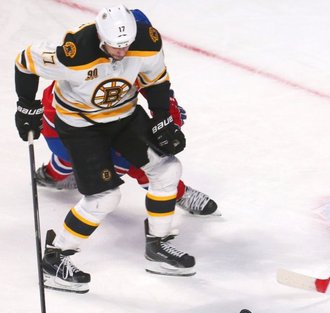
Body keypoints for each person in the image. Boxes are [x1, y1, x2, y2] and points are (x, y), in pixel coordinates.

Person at [14, 4, 207, 293]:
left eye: (126, 45)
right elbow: (25, 62)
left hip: (125, 116)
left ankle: (158, 246)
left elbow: (156, 80)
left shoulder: (145, 42)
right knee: (104, 197)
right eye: (116, 46)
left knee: (168, 170)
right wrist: (27, 106)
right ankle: (55, 258)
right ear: (101, 37)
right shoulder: (75, 52)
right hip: (81, 126)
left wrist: (162, 119)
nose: (122, 52)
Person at [37, 81, 220, 217]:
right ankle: (177, 193)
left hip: (103, 123)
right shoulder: (81, 73)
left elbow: (152, 81)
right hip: (65, 132)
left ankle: (51, 175)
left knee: (133, 153)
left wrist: (166, 114)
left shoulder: (123, 57)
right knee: (137, 161)